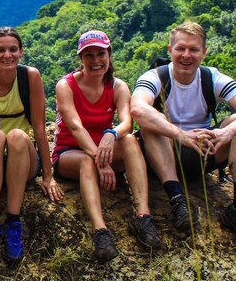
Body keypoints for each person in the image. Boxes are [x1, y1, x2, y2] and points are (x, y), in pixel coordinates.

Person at [131, 21, 236, 249]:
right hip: (165, 154)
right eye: (180, 48)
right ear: (170, 50)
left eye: (193, 49)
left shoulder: (211, 78)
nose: (186, 55)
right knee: (153, 123)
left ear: (204, 52)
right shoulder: (155, 77)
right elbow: (138, 109)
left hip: (204, 151)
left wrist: (227, 132)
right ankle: (177, 200)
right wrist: (179, 134)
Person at [53, 30, 163, 263]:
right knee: (85, 161)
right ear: (80, 59)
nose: (95, 61)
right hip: (70, 152)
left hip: (103, 147)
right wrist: (99, 160)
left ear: (109, 54)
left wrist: (112, 134)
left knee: (131, 140)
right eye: (88, 55)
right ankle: (100, 231)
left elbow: (126, 121)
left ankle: (143, 215)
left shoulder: (118, 86)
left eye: (100, 54)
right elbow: (75, 127)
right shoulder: (66, 85)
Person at [0, 27, 62, 263]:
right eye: (1, 50)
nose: (7, 55)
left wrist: (48, 176)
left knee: (18, 135)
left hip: (21, 155)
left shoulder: (30, 77)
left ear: (21, 52)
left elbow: (39, 128)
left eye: (12, 49)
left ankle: (13, 223)